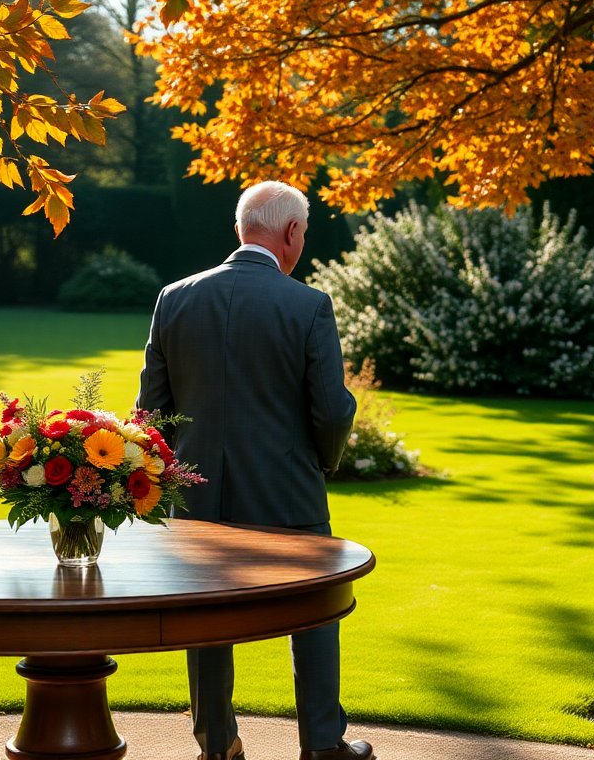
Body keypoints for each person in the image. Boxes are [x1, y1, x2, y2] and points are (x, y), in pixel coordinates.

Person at [136, 181, 372, 760]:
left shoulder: (174, 297)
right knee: (315, 611)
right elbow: (333, 408)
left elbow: (150, 411)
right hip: (288, 494)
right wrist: (323, 460)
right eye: (305, 235)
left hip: (196, 500)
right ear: (292, 232)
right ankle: (322, 745)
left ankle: (218, 745)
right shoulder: (308, 304)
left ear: (240, 228)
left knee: (208, 622)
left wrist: (172, 479)